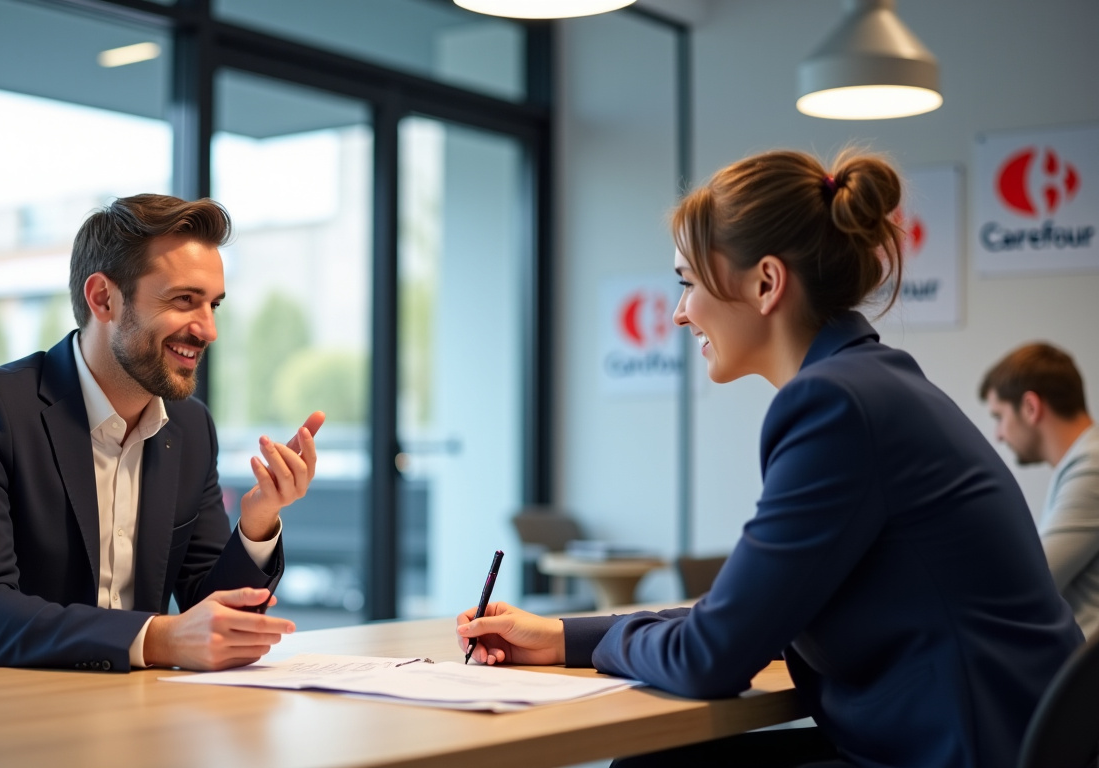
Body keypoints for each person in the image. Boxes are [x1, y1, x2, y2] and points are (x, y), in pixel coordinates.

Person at [455, 151, 1081, 768]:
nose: (678, 313)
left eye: (688, 283)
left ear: (766, 284)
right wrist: (564, 637)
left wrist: (605, 642)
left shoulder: (835, 405)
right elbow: (744, 616)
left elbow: (711, 658)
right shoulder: (872, 384)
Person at [0, 194, 323, 677]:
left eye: (212, 304)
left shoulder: (191, 428)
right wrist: (157, 639)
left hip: (104, 703)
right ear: (103, 298)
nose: (209, 329)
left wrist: (257, 522)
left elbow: (209, 615)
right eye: (184, 300)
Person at [981, 343, 1099, 638]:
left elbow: (1029, 586)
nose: (998, 434)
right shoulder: (1081, 462)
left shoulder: (1093, 466)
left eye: (999, 416)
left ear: (1031, 408)